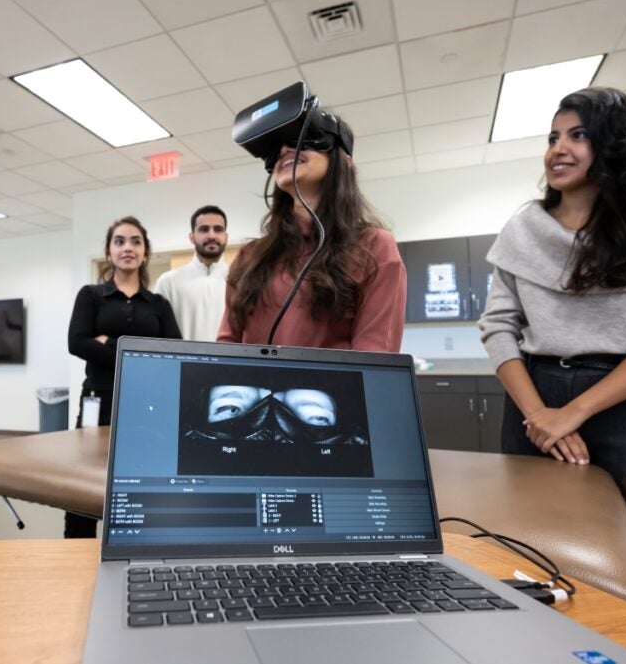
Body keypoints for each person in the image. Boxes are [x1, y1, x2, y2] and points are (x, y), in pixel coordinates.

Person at [478, 87, 626, 482]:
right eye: (554, 137)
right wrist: (539, 416)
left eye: (579, 135)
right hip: (534, 402)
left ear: (617, 144)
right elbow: (498, 326)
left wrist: (572, 413)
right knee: (538, 532)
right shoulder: (522, 229)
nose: (559, 148)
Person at [217, 113, 406, 351]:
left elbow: (374, 358)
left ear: (344, 159)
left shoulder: (374, 246)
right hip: (255, 388)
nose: (285, 149)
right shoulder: (250, 256)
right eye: (277, 149)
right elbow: (227, 345)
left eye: (300, 139)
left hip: (336, 389)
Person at [67, 216, 181, 537]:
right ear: (109, 251)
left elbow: (172, 353)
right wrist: (140, 350)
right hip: (97, 400)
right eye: (119, 241)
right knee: (84, 480)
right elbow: (76, 343)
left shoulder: (158, 304)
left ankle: (132, 544)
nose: (127, 248)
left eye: (135, 241)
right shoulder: (91, 296)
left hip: (145, 405)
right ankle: (76, 546)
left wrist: (109, 343)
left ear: (145, 252)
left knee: (138, 481)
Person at [154, 205, 229, 342]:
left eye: (218, 229)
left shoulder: (242, 281)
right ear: (192, 237)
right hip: (182, 363)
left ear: (226, 237)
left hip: (228, 363)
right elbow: (159, 336)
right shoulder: (168, 282)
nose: (211, 235)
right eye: (204, 229)